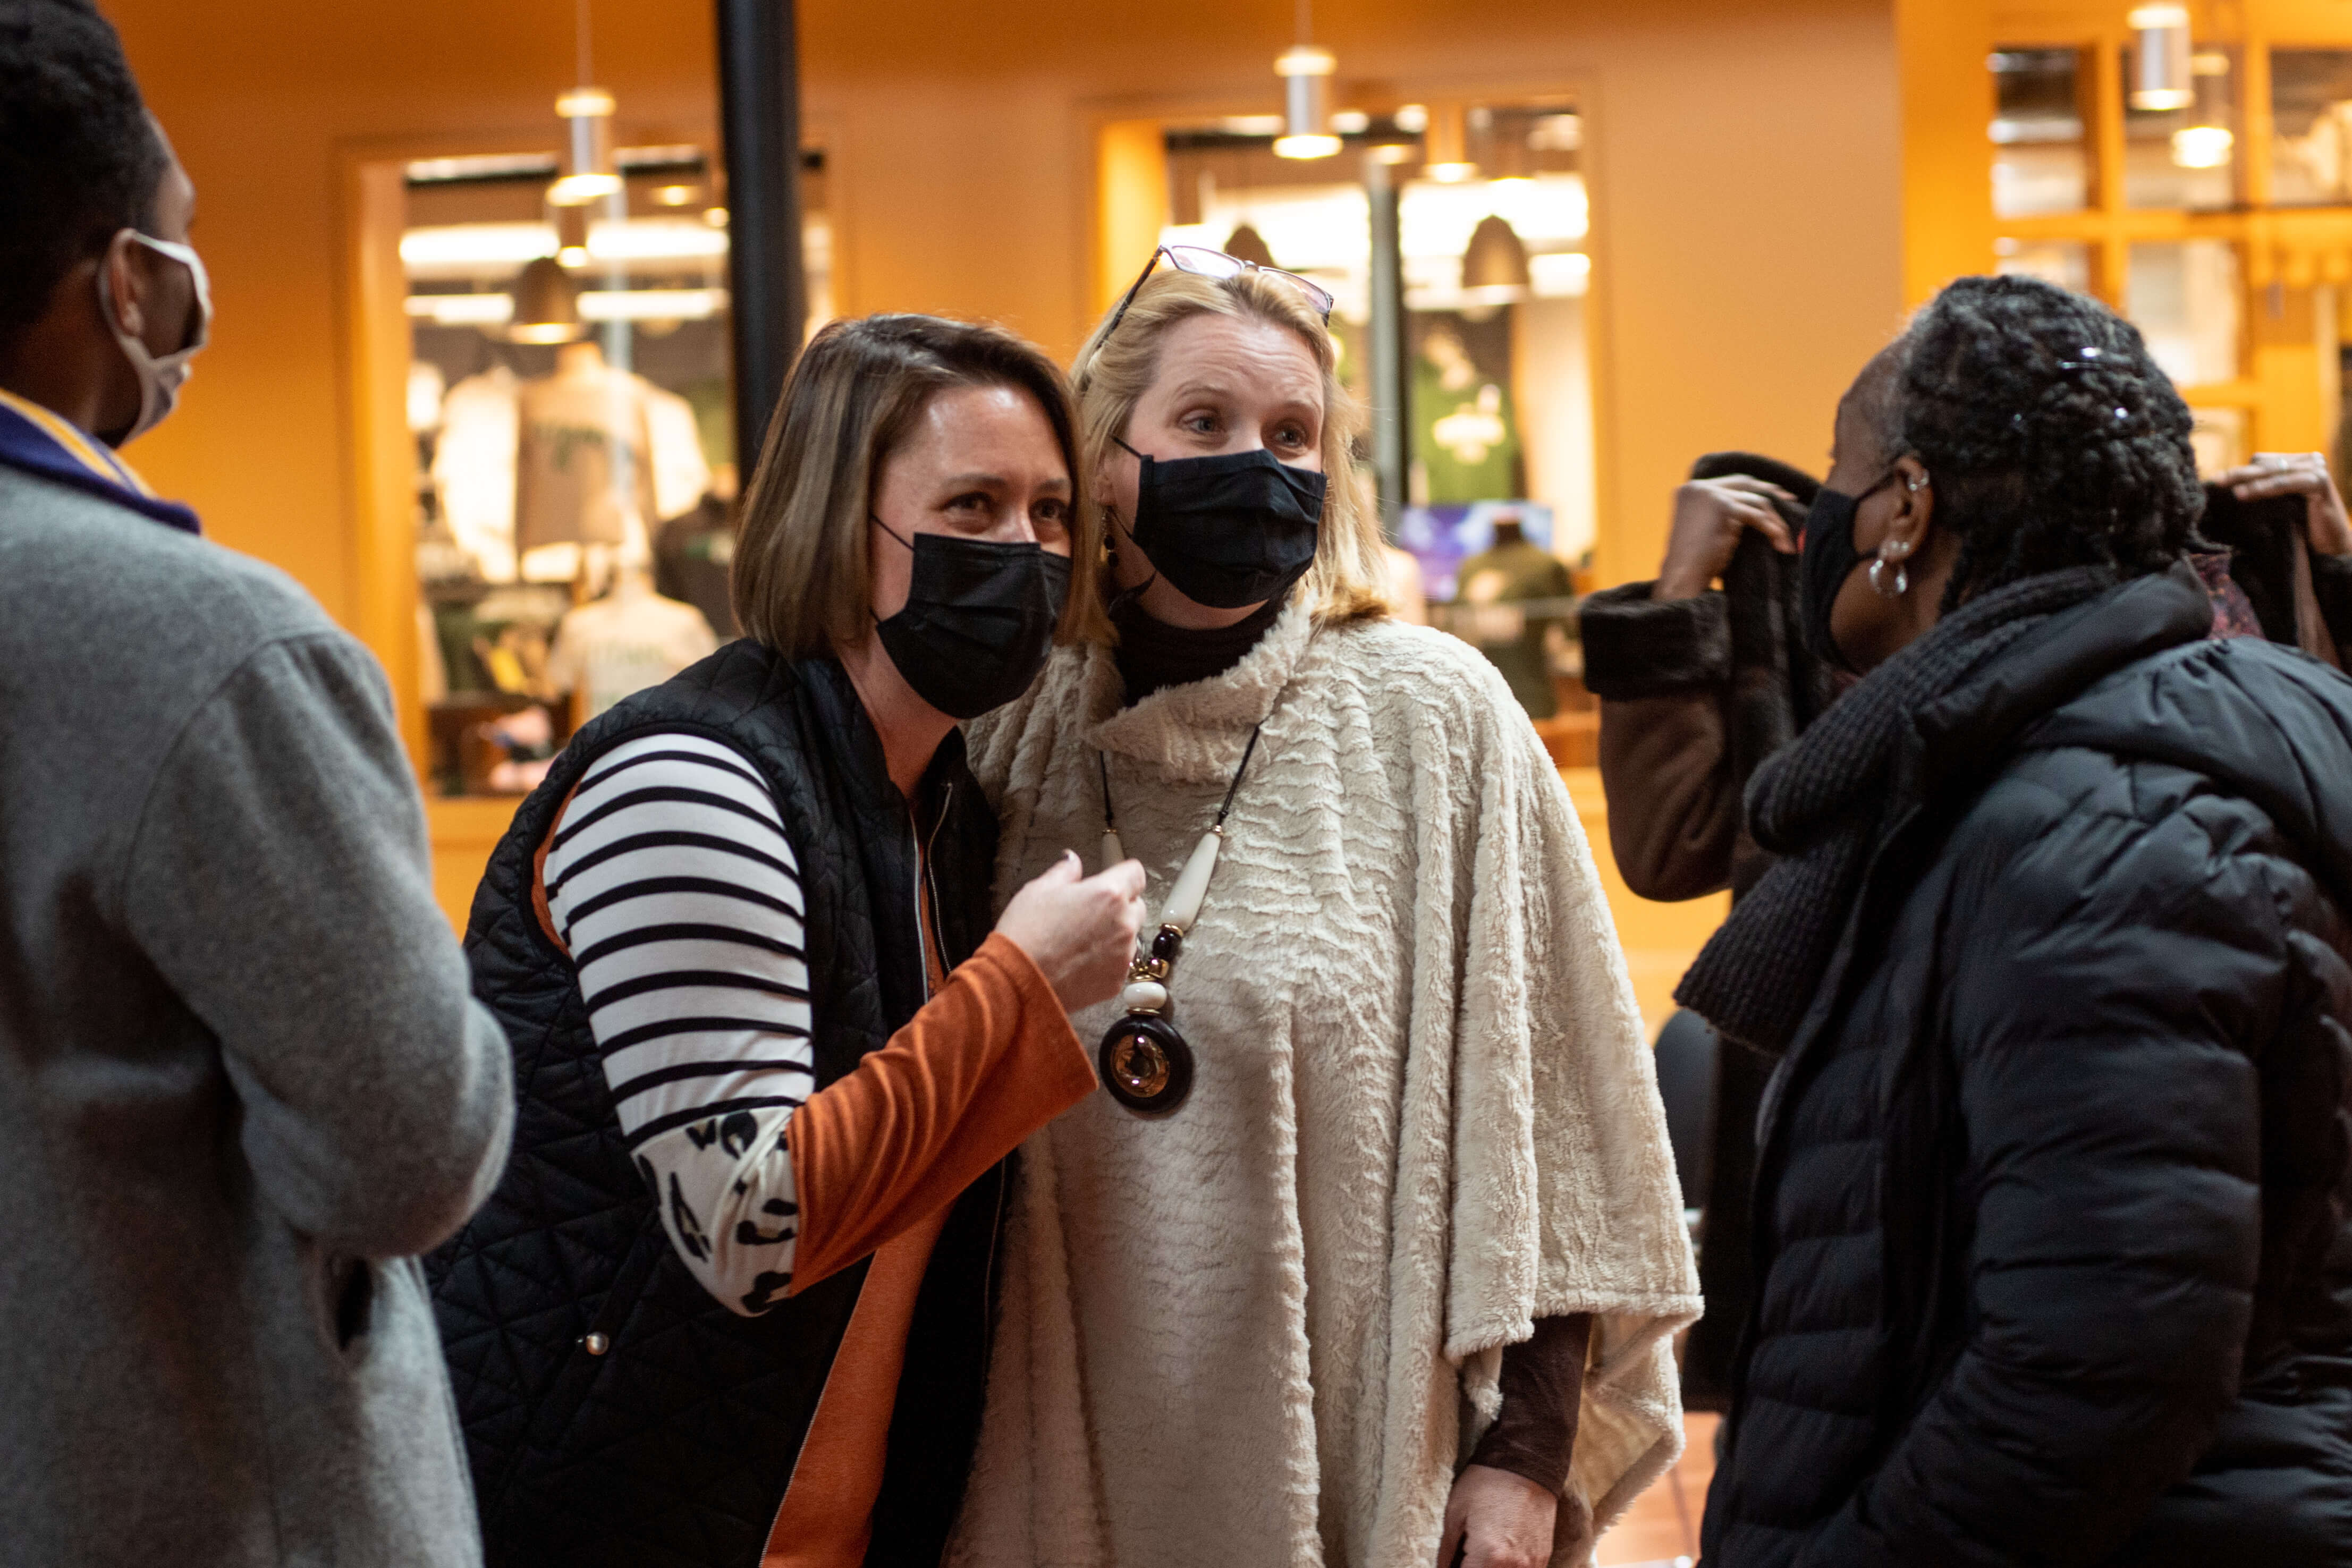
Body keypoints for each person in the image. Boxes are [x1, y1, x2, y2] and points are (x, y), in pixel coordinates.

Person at [950, 247, 1699, 1568]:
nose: (1258, 463)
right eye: (1204, 424)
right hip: (1052, 1453)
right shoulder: (1006, 730)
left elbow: (1558, 1122)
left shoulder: (1432, 718)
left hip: (1367, 1450)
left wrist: (1522, 1458)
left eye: (1292, 434)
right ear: (1101, 464)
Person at [432, 313, 1149, 1568]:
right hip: (605, 1506)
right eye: (970, 505)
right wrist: (1020, 985)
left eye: (1046, 514)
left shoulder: (934, 800)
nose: (1021, 552)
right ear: (834, 527)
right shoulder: (690, 782)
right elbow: (747, 1230)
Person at [1687, 274, 2352, 1564]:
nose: (1827, 509)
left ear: (1907, 507)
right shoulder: (2039, 762)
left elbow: (2093, 1376)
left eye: (1843, 471)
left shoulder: (2107, 825)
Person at [0, 4, 515, 1563]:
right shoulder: (203, 647)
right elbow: (407, 1149)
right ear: (126, 278)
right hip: (189, 1491)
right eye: (184, 231)